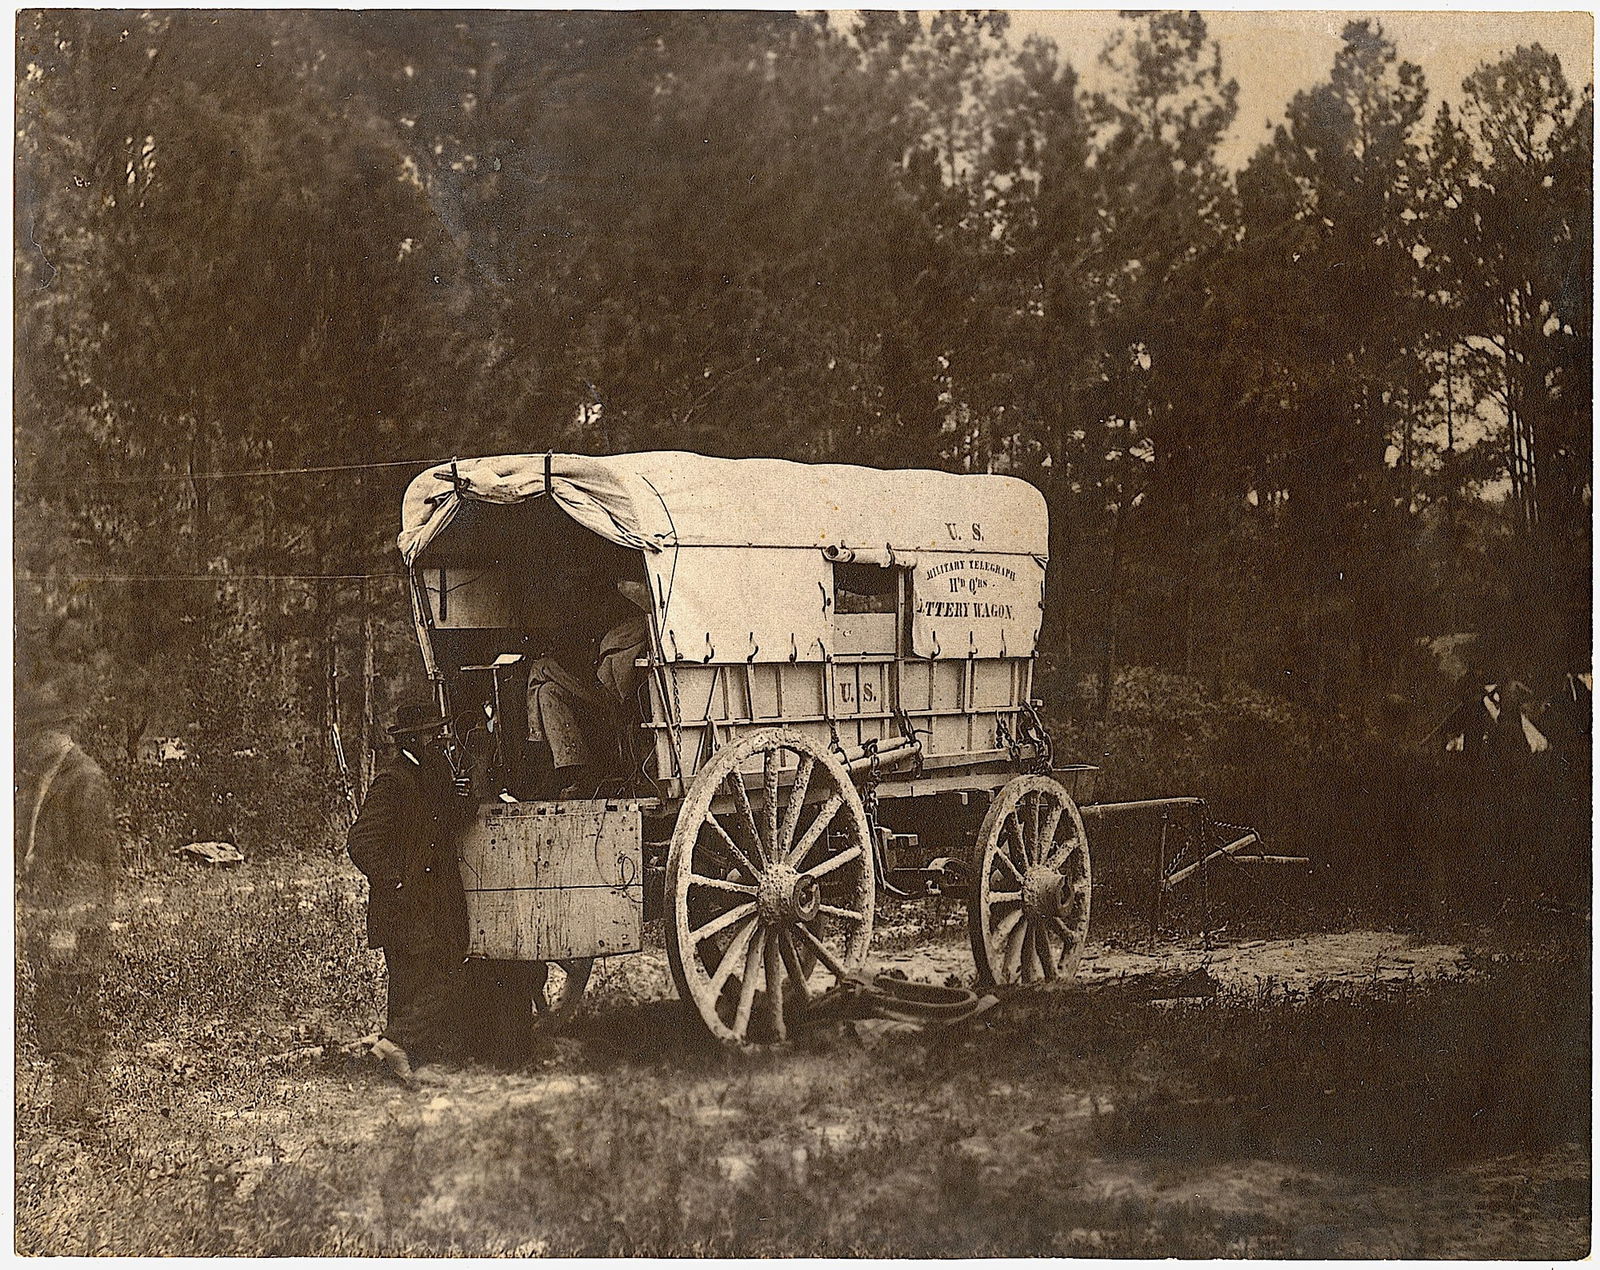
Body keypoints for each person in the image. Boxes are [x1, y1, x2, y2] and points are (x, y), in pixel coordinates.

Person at [346, 702, 475, 1082]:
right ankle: (394, 1044)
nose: (440, 739)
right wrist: (395, 882)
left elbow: (449, 821)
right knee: (436, 978)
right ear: (413, 739)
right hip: (405, 903)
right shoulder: (393, 780)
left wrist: (463, 795)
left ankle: (402, 1062)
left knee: (418, 981)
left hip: (429, 902)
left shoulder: (428, 773)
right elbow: (362, 841)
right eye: (433, 734)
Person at [15, 683, 120, 1128]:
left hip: (74, 925)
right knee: (53, 1014)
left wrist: (67, 929)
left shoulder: (86, 779)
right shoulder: (44, 777)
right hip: (49, 917)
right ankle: (72, 1106)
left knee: (76, 1014)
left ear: (55, 733)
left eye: (32, 733)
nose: (25, 743)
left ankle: (84, 1112)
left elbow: (93, 866)